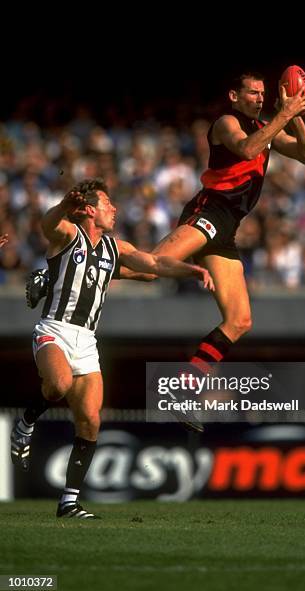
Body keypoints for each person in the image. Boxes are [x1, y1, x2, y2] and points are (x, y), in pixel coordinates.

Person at [10, 178, 214, 519]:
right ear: (90, 210)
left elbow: (154, 264)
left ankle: (69, 503)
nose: (115, 208)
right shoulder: (67, 235)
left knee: (90, 421)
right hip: (54, 331)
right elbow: (48, 223)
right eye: (108, 203)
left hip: (87, 341)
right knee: (58, 385)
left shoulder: (114, 247)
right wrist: (64, 204)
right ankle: (26, 422)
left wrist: (191, 271)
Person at [146, 70, 305, 428]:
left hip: (227, 227)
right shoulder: (228, 122)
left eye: (263, 93)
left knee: (240, 321)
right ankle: (73, 263)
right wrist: (284, 115)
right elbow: (247, 149)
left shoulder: (267, 126)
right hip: (208, 211)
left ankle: (183, 388)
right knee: (151, 267)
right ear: (234, 96)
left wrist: (296, 117)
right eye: (252, 92)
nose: (259, 97)